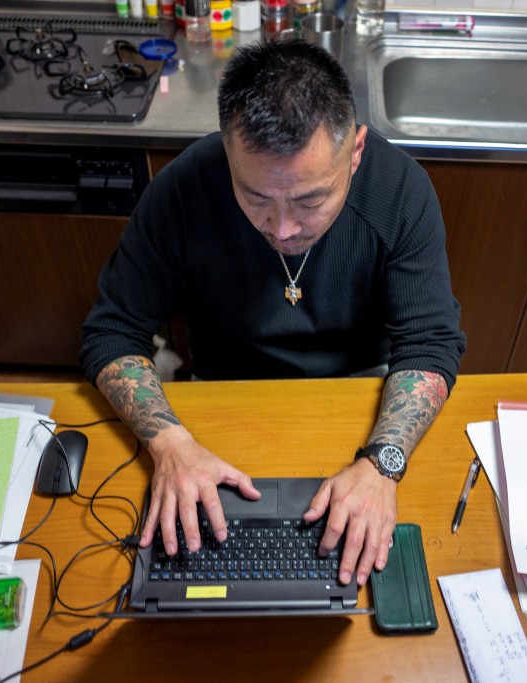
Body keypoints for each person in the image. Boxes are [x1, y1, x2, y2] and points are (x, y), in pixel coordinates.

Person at [80, 39, 465, 588]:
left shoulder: (400, 191)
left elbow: (429, 341)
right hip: (221, 396)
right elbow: (113, 330)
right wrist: (170, 445)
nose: (281, 229)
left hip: (361, 397)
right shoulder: (185, 189)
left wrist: (383, 466)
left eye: (310, 201)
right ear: (228, 152)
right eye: (254, 195)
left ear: (354, 153)